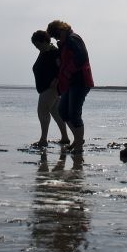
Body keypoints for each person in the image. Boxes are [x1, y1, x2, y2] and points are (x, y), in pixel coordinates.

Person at [46, 20, 94, 153]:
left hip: (80, 81)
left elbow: (81, 57)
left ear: (60, 30)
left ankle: (78, 145)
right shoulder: (66, 42)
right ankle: (78, 140)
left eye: (56, 36)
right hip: (70, 83)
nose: (56, 39)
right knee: (62, 111)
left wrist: (67, 71)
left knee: (74, 114)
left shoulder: (73, 39)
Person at [30, 30, 70, 148]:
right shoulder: (45, 51)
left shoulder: (53, 52)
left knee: (42, 111)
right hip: (46, 88)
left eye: (38, 44)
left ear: (45, 41)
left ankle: (43, 139)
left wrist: (57, 79)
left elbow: (61, 66)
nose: (37, 47)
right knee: (55, 112)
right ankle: (65, 137)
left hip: (50, 87)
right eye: (35, 45)